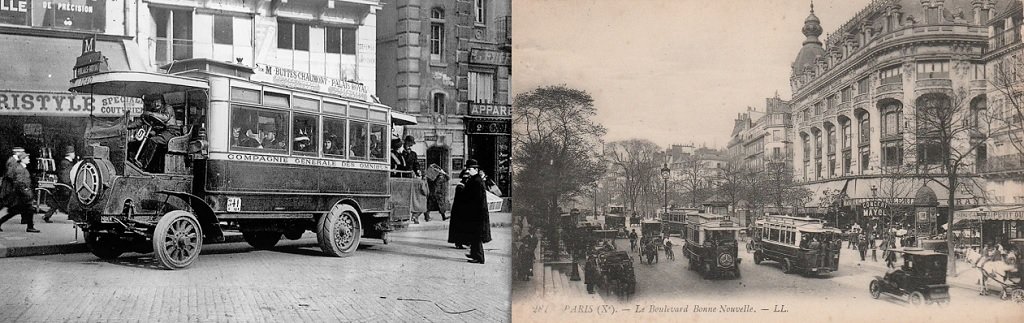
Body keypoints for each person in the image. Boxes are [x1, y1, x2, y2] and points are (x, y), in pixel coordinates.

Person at [448, 159, 491, 264]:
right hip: (475, 212)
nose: (468, 171)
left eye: (470, 169)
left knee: (476, 237)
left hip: (477, 213)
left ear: (476, 169)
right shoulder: (475, 179)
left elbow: (472, 197)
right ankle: (473, 254)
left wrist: (461, 190)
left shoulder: (477, 181)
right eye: (468, 168)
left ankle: (479, 257)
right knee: (473, 235)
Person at [0, 150, 39, 233]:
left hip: (21, 196)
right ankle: (30, 227)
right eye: (27, 158)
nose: (29, 159)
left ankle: (30, 227)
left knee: (19, 211)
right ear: (22, 159)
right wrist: (27, 192)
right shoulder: (20, 169)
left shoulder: (22, 168)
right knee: (25, 210)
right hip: (21, 196)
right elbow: (19, 183)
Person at [42, 146, 75, 223]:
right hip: (65, 186)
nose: (74, 155)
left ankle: (47, 216)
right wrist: (70, 184)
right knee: (69, 202)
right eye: (73, 153)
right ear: (69, 154)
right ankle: (73, 217)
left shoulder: (66, 162)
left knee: (57, 202)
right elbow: (65, 176)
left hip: (63, 186)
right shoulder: (66, 163)